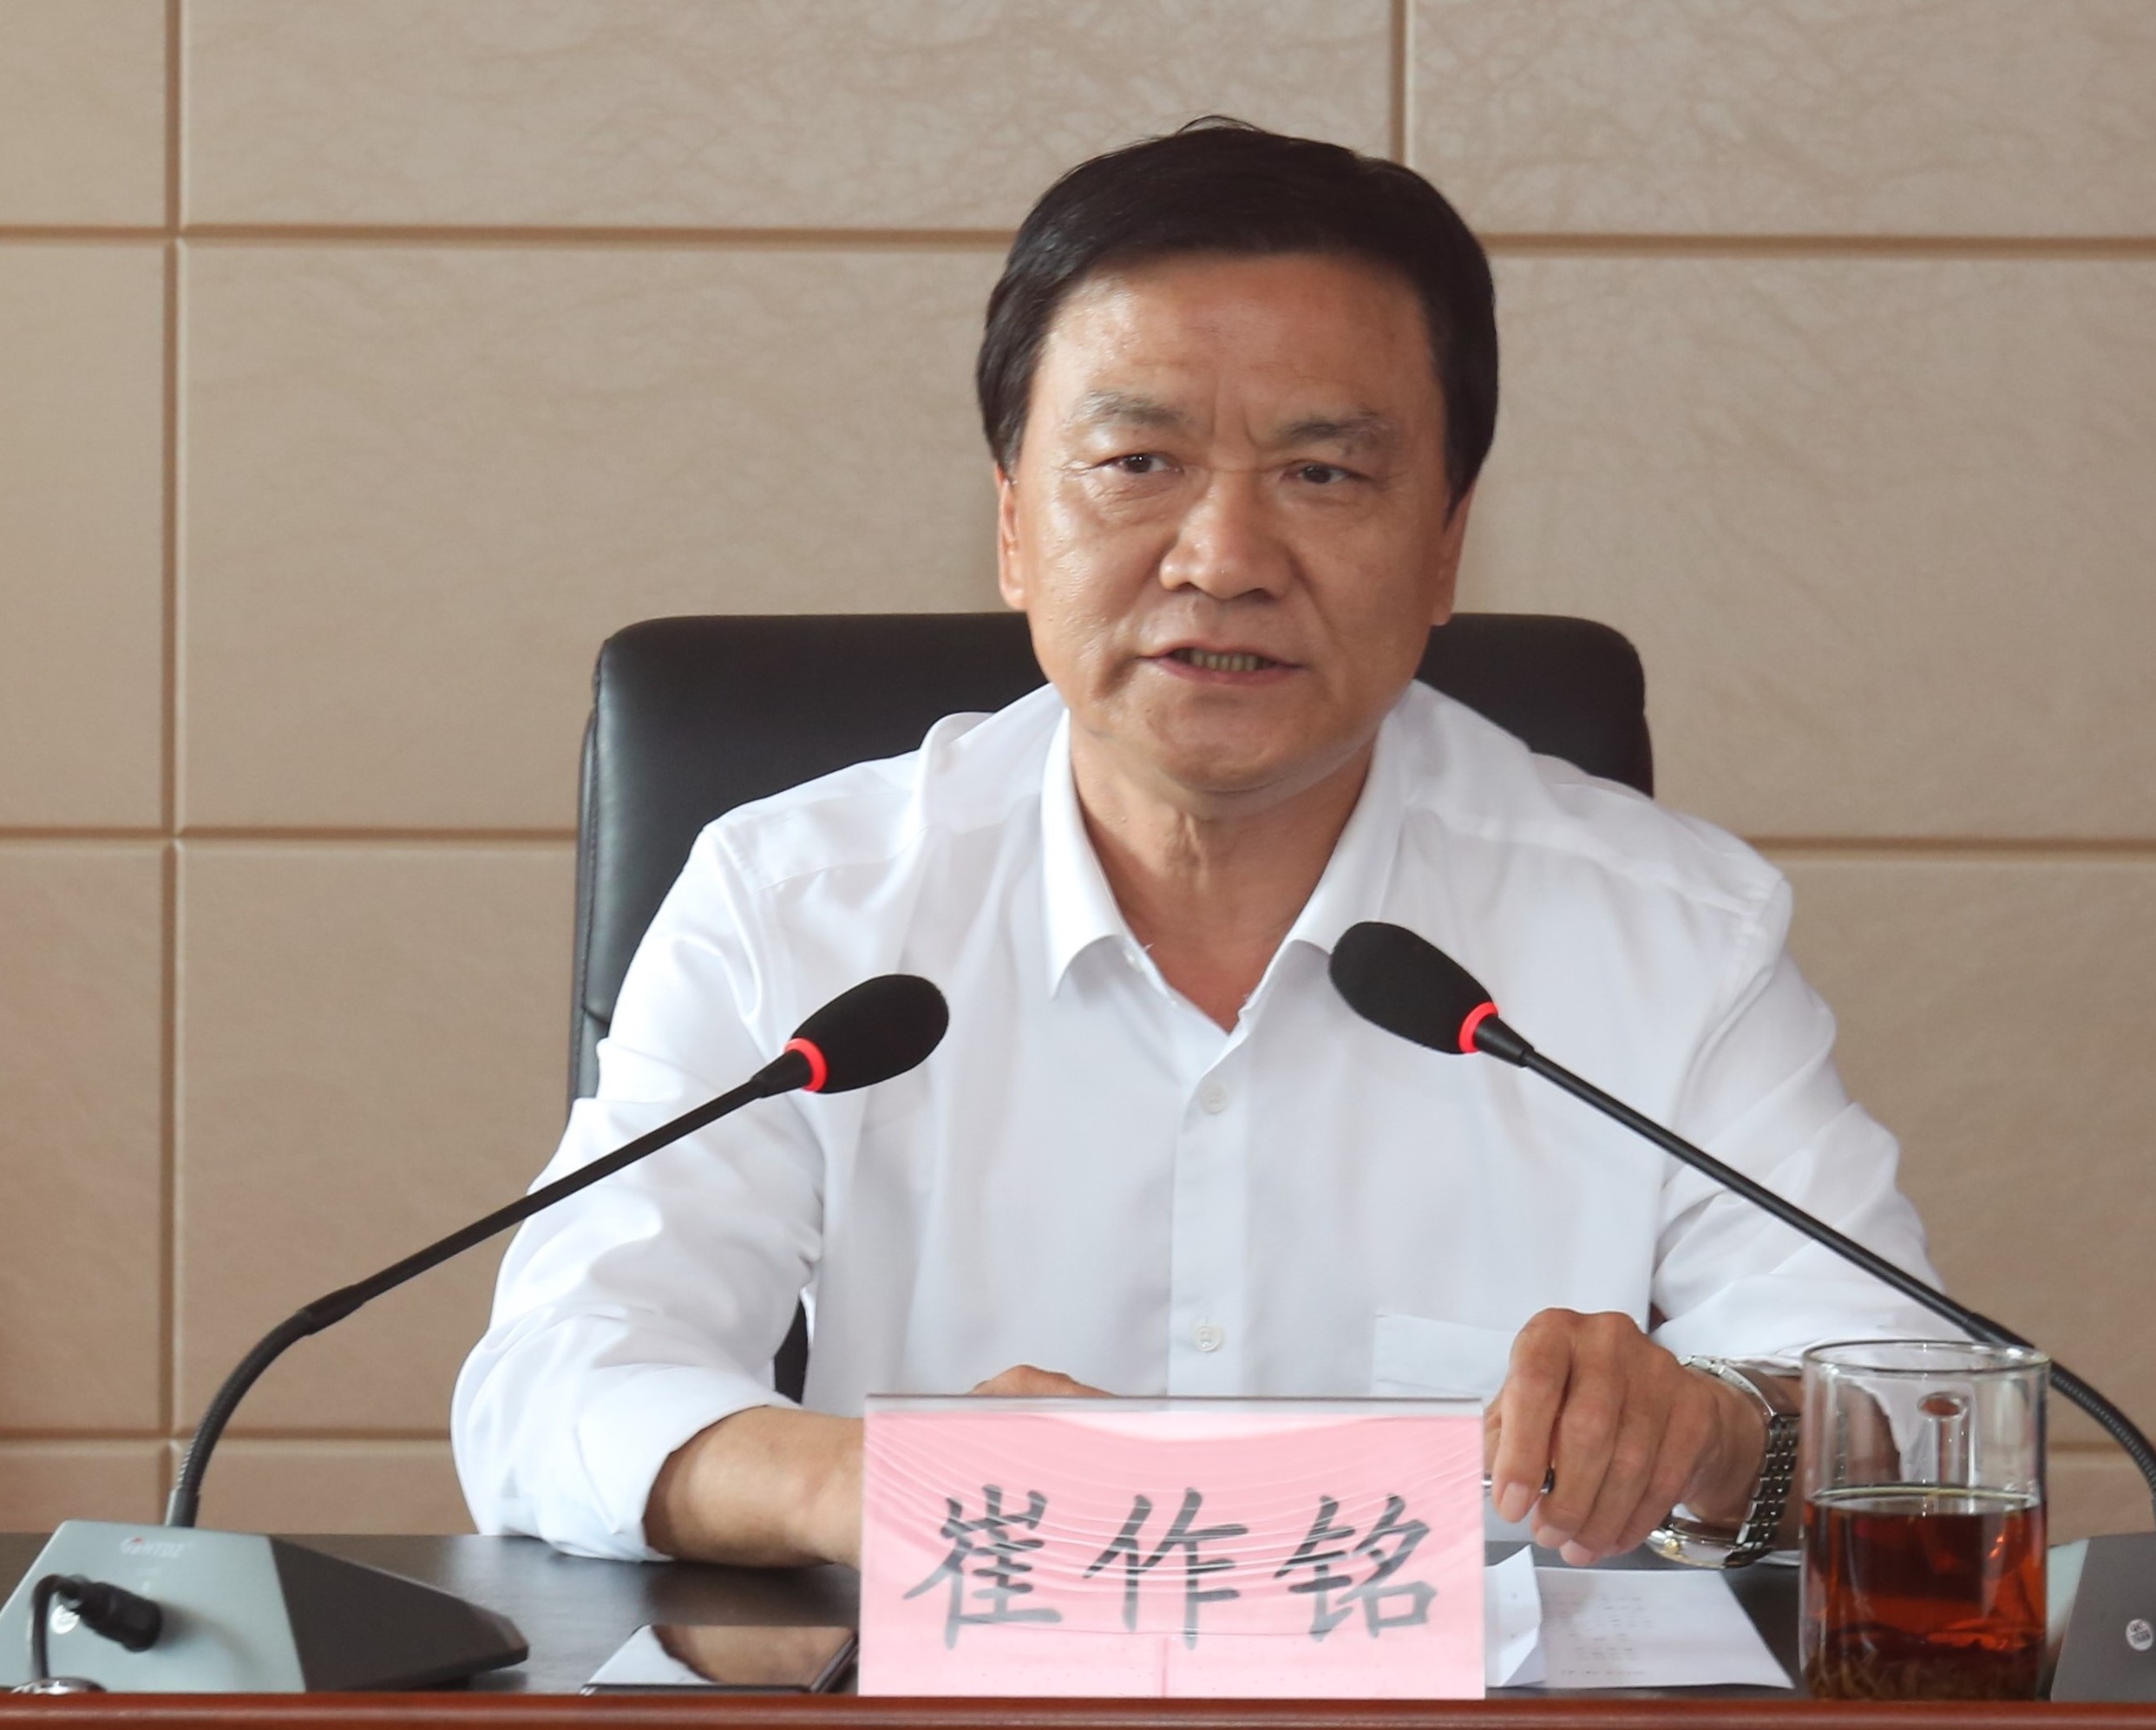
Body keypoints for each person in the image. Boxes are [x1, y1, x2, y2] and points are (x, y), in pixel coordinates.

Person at [452, 120, 1948, 1570]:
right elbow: (555, 1386)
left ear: (1445, 542)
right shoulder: (797, 905)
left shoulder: (1671, 928)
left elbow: (1912, 1408)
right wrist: (884, 1481)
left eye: (1323, 473)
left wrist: (1716, 1434)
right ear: (1011, 525)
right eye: (1136, 461)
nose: (1223, 560)